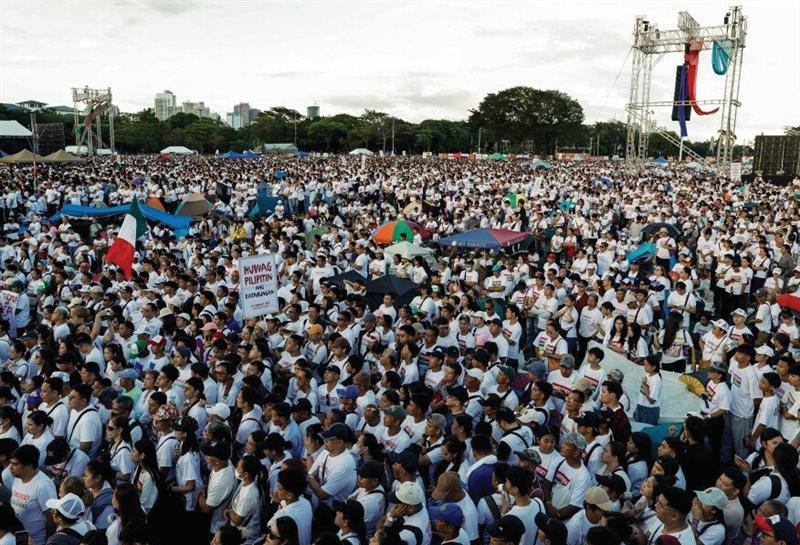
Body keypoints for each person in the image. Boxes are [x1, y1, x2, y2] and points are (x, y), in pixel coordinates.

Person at [10, 444, 58, 545]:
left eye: (15, 464)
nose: (11, 468)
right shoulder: (17, 478)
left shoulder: (44, 486)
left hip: (36, 541)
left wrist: (47, 542)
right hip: (18, 537)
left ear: (29, 465)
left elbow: (52, 520)